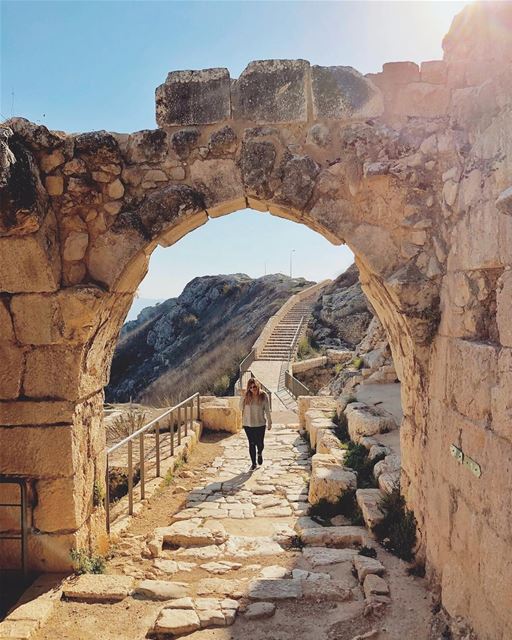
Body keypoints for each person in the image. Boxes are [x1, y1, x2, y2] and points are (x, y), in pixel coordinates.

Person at [239, 377, 272, 470]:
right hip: (248, 424)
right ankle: (253, 463)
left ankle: (260, 453)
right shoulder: (246, 396)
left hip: (260, 424)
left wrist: (270, 422)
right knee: (252, 443)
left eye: (254, 387)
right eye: (251, 387)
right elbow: (240, 407)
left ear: (258, 386)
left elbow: (267, 410)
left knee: (260, 443)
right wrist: (242, 396)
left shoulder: (263, 395)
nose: (253, 389)